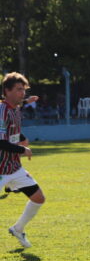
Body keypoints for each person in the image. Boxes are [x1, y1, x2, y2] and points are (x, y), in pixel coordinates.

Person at [0, 72, 45, 248]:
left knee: (38, 198)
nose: (22, 93)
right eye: (19, 90)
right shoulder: (2, 111)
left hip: (14, 167)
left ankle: (18, 229)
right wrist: (23, 149)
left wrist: (27, 101)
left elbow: (14, 126)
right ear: (7, 90)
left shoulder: (15, 107)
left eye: (23, 90)